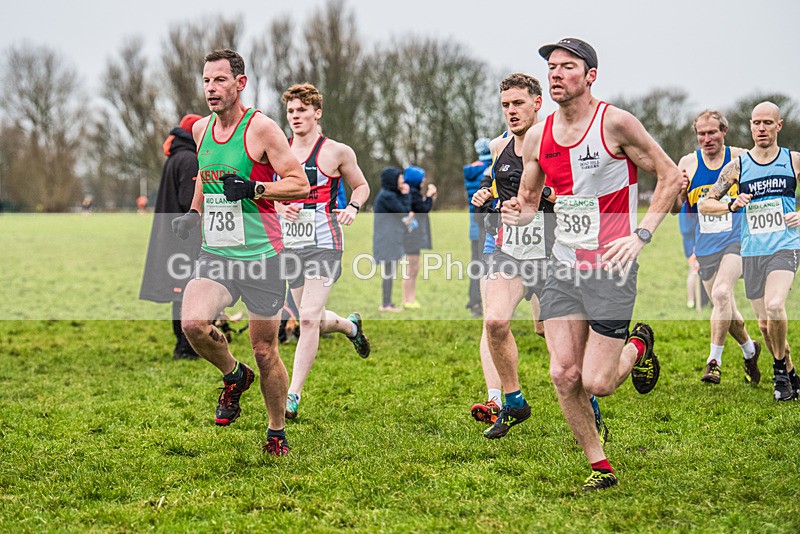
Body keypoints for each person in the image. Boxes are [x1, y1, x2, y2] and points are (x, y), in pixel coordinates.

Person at [502, 38, 682, 490]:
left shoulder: (616, 123)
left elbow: (672, 176)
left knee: (598, 382)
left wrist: (640, 236)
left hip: (612, 265)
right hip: (562, 264)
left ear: (590, 76)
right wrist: (516, 211)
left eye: (567, 67)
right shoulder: (539, 136)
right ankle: (599, 465)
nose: (556, 74)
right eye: (552, 67)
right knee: (564, 373)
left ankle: (638, 345)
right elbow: (529, 199)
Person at [171, 49, 309, 456]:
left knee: (266, 350)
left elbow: (299, 183)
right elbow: (204, 173)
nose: (211, 89)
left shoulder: (262, 129)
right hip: (217, 254)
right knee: (193, 323)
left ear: (240, 83)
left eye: (219, 80)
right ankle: (234, 374)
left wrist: (255, 189)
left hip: (263, 255)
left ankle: (276, 430)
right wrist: (194, 213)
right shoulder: (200, 130)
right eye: (206, 81)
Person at [470, 74, 609, 445]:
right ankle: (513, 401)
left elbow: (583, 197)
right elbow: (496, 186)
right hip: (509, 252)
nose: (511, 111)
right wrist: (485, 196)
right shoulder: (500, 145)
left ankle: (591, 403)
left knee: (559, 345)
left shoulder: (557, 141)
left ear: (537, 103)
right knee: (495, 322)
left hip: (553, 257)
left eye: (518, 103)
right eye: (505, 105)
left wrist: (547, 196)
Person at [277, 83, 371, 420]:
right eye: (290, 111)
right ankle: (350, 327)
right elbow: (265, 192)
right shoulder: (278, 150)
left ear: (317, 112)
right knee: (310, 314)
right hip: (291, 244)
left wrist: (354, 208)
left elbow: (361, 185)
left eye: (302, 110)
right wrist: (277, 204)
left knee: (306, 317)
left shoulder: (336, 152)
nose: (296, 116)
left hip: (325, 243)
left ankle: (292, 394)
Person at [699, 101, 800, 401]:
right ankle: (792, 374)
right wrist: (730, 204)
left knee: (775, 305)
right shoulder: (739, 166)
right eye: (756, 123)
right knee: (766, 327)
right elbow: (706, 202)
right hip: (752, 250)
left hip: (785, 246)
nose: (761, 128)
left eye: (768, 123)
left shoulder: (793, 160)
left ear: (779, 126)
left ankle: (779, 370)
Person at [674, 110, 761, 384]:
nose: (707, 138)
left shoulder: (742, 158)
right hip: (706, 245)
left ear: (724, 130)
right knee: (726, 309)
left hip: (737, 240)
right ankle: (750, 349)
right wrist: (679, 192)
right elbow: (676, 210)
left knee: (723, 293)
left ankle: (714, 361)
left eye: (712, 132)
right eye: (701, 133)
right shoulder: (687, 163)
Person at [140, 114, 203, 360]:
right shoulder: (189, 160)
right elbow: (190, 202)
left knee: (181, 292)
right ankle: (186, 346)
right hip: (183, 238)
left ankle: (185, 343)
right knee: (185, 291)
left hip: (170, 236)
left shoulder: (176, 157)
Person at [373, 167, 412, 312]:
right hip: (387, 240)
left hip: (390, 238)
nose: (403, 181)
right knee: (388, 273)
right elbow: (404, 211)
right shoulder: (387, 196)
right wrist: (406, 194)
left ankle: (387, 302)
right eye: (400, 179)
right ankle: (386, 304)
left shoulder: (389, 194)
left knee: (390, 272)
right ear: (392, 181)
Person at [464, 138, 493, 317]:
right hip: (487, 223)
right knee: (487, 264)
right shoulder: (489, 170)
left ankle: (473, 301)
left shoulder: (469, 170)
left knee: (476, 263)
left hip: (473, 224)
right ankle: (485, 302)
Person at [401, 165, 437, 309]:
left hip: (413, 236)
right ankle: (407, 300)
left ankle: (411, 299)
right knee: (411, 269)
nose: (423, 180)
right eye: (421, 178)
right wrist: (429, 195)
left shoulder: (411, 192)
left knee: (414, 270)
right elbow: (423, 209)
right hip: (411, 236)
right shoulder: (412, 193)